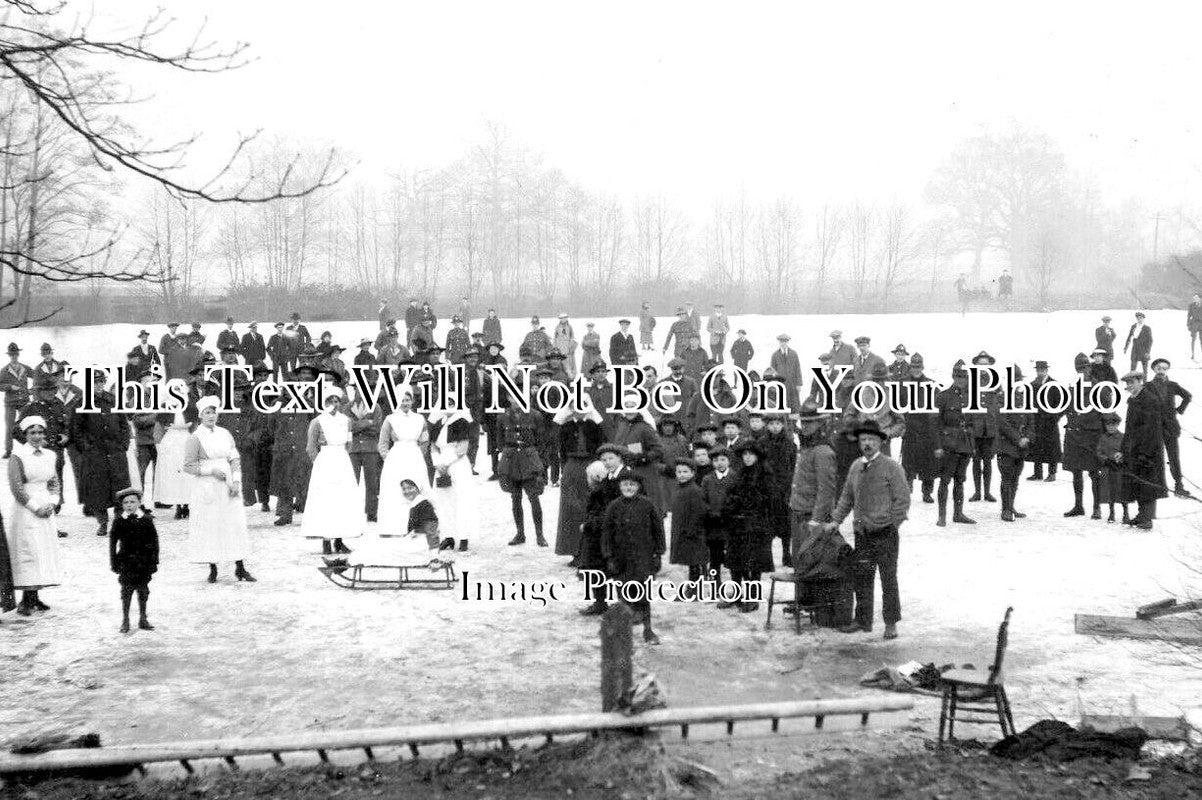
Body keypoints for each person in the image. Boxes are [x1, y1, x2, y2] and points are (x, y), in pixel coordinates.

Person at [825, 420, 909, 640]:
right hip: (863, 534)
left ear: (880, 442)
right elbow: (846, 498)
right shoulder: (855, 467)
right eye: (863, 440)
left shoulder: (892, 467)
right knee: (862, 578)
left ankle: (891, 623)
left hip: (885, 534)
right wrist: (835, 520)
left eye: (872, 439)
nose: (867, 443)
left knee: (888, 579)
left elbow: (903, 500)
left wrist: (892, 524)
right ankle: (862, 621)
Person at [183, 396, 255, 583]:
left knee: (234, 524)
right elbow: (189, 466)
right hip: (207, 488)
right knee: (211, 525)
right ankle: (213, 568)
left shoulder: (225, 433)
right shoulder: (195, 438)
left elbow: (234, 458)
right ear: (200, 415)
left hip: (228, 485)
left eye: (214, 412)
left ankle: (240, 567)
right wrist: (210, 471)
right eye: (207, 412)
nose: (211, 415)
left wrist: (237, 482)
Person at [5, 416, 62, 616]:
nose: (37, 437)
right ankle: (25, 601)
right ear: (26, 435)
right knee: (28, 551)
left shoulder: (50, 455)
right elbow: (17, 488)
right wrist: (35, 507)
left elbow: (54, 482)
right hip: (26, 511)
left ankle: (35, 598)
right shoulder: (18, 456)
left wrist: (52, 503)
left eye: (40, 432)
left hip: (46, 507)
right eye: (32, 433)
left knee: (42, 551)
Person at [601, 471, 665, 644]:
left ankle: (648, 630)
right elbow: (606, 533)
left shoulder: (647, 505)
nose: (628, 488)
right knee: (623, 597)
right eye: (625, 485)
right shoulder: (614, 506)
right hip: (621, 560)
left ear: (638, 487)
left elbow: (658, 531)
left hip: (643, 559)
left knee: (644, 597)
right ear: (620, 487)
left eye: (632, 485)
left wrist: (658, 554)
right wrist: (609, 557)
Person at [303, 388, 363, 555]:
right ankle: (326, 541)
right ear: (324, 403)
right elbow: (310, 447)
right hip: (325, 461)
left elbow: (349, 443)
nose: (334, 405)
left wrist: (341, 456)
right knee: (326, 500)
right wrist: (321, 464)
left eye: (336, 401)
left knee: (342, 500)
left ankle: (339, 540)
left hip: (342, 460)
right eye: (330, 401)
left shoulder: (346, 420)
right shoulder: (317, 421)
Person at [72, 372, 132, 536]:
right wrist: (86, 448)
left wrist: (123, 444)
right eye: (94, 382)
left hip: (116, 452)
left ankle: (119, 522)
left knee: (120, 487)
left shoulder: (113, 400)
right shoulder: (82, 403)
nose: (98, 385)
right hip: (95, 454)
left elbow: (124, 425)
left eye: (101, 382)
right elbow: (76, 430)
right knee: (98, 490)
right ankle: (103, 522)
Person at [722, 441, 773, 612]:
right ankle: (737, 595)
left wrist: (746, 502)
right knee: (736, 560)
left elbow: (769, 499)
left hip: (757, 525)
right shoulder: (741, 473)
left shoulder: (765, 474)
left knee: (754, 564)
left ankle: (753, 598)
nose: (747, 457)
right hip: (738, 523)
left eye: (750, 454)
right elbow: (733, 493)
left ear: (757, 455)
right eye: (744, 454)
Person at [554, 399, 604, 564]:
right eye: (576, 407)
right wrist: (563, 471)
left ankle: (589, 552)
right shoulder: (565, 427)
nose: (580, 410)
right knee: (571, 509)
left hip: (591, 465)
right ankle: (574, 551)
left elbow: (601, 447)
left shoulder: (594, 426)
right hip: (572, 467)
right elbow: (560, 451)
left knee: (590, 508)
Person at [377, 387, 431, 535]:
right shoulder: (390, 419)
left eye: (407, 400)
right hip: (396, 457)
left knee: (416, 487)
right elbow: (383, 442)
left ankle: (417, 525)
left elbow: (424, 440)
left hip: (414, 455)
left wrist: (419, 455)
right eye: (402, 400)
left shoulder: (420, 419)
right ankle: (393, 527)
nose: (405, 403)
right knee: (395, 490)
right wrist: (387, 458)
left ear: (412, 401)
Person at [497, 391, 548, 547]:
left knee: (534, 497)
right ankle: (520, 534)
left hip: (529, 459)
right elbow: (499, 442)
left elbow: (542, 442)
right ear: (508, 398)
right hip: (511, 460)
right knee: (515, 498)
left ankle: (540, 535)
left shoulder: (535, 415)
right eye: (513, 396)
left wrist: (540, 464)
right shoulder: (502, 417)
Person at [1120, 370, 1167, 530]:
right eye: (1127, 383)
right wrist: (1123, 449)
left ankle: (1146, 519)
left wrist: (1145, 453)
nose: (1129, 386)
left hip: (1149, 451)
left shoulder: (1150, 400)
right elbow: (1128, 428)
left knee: (1148, 484)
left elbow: (1153, 429)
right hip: (1135, 449)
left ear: (1140, 381)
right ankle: (1142, 515)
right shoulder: (1133, 400)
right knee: (1138, 483)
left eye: (1132, 382)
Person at [109, 487, 158, 633]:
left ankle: (143, 618)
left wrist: (154, 561)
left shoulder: (147, 520)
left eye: (132, 502)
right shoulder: (119, 521)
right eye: (125, 503)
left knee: (143, 591)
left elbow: (155, 542)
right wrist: (114, 562)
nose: (129, 505)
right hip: (126, 562)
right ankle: (125, 620)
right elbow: (112, 544)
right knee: (126, 592)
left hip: (143, 562)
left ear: (139, 503)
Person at [1063, 352, 1104, 519]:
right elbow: (1065, 407)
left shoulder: (1099, 387)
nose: (1082, 371)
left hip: (1092, 436)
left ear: (1090, 367)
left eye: (1085, 368)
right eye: (1078, 369)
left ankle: (1096, 508)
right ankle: (1078, 506)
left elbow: (1107, 411)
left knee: (1095, 472)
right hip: (1074, 435)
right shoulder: (1072, 387)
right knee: (1076, 471)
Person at [431, 407, 478, 552]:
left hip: (457, 464)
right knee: (443, 502)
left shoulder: (462, 422)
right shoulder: (438, 423)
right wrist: (437, 462)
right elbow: (433, 446)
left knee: (461, 501)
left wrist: (446, 463)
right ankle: (448, 536)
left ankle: (463, 538)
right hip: (441, 466)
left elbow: (462, 448)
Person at [934, 365, 976, 527]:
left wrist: (972, 443)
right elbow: (935, 423)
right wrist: (938, 445)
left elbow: (973, 421)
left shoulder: (971, 398)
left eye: (964, 377)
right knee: (945, 480)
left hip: (965, 444)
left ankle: (958, 514)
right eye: (958, 377)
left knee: (960, 480)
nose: (961, 380)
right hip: (948, 444)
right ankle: (942, 516)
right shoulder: (943, 396)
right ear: (953, 377)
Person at [1147, 358, 1191, 497]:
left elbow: (1187, 396)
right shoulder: (1148, 386)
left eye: (1164, 368)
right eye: (1159, 368)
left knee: (1174, 457)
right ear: (1154, 369)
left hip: (1171, 427)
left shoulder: (1173, 385)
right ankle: (1159, 487)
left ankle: (1179, 485)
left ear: (1167, 370)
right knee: (1156, 456)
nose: (1161, 371)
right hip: (1154, 428)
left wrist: (1179, 409)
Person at [994, 369, 1030, 522]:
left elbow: (1031, 420)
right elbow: (1002, 423)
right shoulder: (1001, 398)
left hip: (1021, 447)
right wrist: (1018, 439)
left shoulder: (1024, 397)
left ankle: (1011, 506)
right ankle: (1006, 509)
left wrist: (1028, 437)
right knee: (1007, 477)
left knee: (1016, 477)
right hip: (1006, 445)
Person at [668, 459, 709, 589]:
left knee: (695, 561)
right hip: (683, 531)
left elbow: (699, 511)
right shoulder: (679, 489)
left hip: (692, 533)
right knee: (691, 562)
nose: (682, 474)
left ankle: (695, 588)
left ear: (692, 473)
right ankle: (692, 587)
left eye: (685, 472)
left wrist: (691, 530)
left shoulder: (694, 490)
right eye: (679, 472)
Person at [967, 350, 1001, 503]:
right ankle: (977, 492)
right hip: (975, 427)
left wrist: (994, 414)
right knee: (975, 461)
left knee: (988, 461)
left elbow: (1001, 400)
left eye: (986, 365)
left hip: (990, 428)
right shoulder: (970, 381)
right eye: (981, 365)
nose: (983, 367)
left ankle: (987, 492)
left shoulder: (995, 381)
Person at [700, 446, 734, 583]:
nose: (719, 463)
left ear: (729, 461)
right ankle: (715, 585)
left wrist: (728, 513)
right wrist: (710, 513)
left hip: (730, 524)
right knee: (714, 558)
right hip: (713, 525)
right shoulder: (707, 480)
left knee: (732, 557)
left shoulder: (734, 477)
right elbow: (703, 500)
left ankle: (735, 587)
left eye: (723, 459)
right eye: (715, 460)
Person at [1096, 413, 1128, 524]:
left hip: (1120, 469)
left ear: (1117, 425)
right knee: (1110, 492)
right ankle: (1111, 513)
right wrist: (1105, 460)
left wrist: (1121, 459)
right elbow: (1099, 452)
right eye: (1108, 425)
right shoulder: (1103, 438)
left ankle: (1126, 513)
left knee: (1122, 491)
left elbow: (1126, 451)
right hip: (1107, 469)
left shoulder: (1123, 437)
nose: (1111, 427)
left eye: (1113, 425)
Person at [0, 343, 31, 459]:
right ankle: (8, 450)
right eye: (12, 354)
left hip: (24, 401)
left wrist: (32, 390)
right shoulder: (4, 370)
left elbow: (37, 376)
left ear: (18, 354)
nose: (14, 356)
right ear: (9, 355)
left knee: (28, 425)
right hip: (10, 403)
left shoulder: (25, 368)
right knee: (10, 427)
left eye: (16, 354)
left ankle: (30, 447)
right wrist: (9, 387)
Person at [769, 334, 803, 414]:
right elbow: (772, 371)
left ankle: (794, 424)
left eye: (785, 341)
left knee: (794, 405)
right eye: (781, 341)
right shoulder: (775, 355)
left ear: (788, 342)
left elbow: (797, 369)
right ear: (779, 342)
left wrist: (799, 384)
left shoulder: (793, 354)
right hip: (781, 384)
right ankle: (785, 423)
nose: (783, 343)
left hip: (792, 384)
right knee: (782, 404)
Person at [1189, 294, 1202, 359]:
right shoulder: (1191, 305)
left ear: (1200, 298)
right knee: (1193, 339)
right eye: (1194, 298)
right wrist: (1188, 324)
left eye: (1196, 298)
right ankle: (1193, 354)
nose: (1194, 299)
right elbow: (1189, 315)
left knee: (1201, 340)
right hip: (1194, 324)